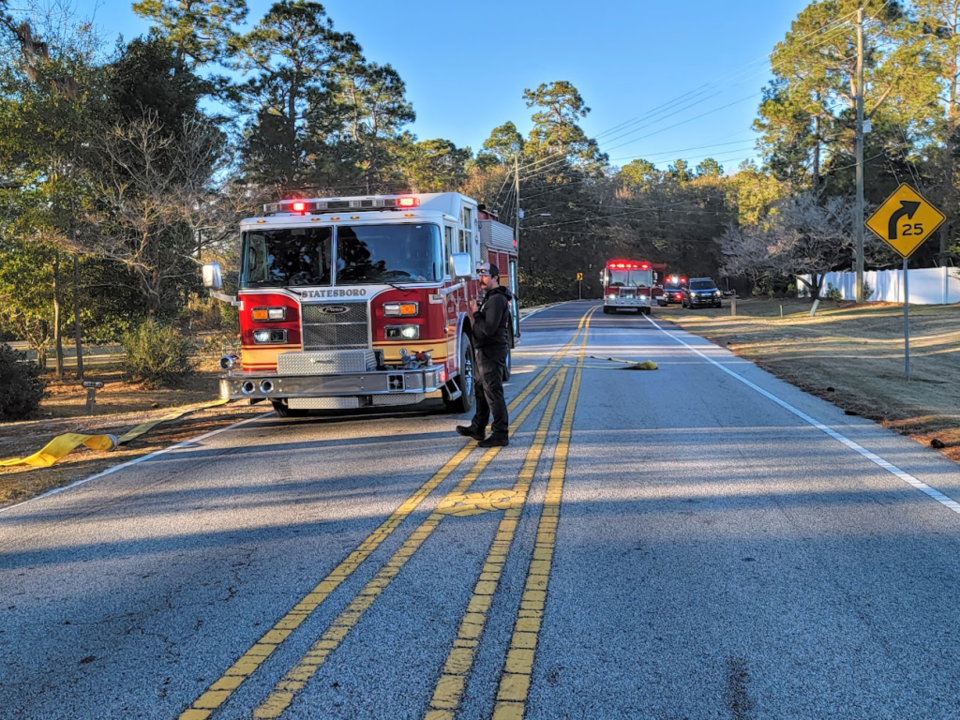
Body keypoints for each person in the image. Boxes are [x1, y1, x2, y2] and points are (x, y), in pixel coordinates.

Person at [456, 262, 512, 447]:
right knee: (481, 390)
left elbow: (488, 329)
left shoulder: (496, 300)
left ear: (495, 277)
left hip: (492, 350)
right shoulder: (491, 297)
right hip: (485, 350)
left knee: (493, 392)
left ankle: (501, 434)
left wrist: (475, 314)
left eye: (485, 275)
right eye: (479, 275)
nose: (481, 279)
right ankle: (478, 427)